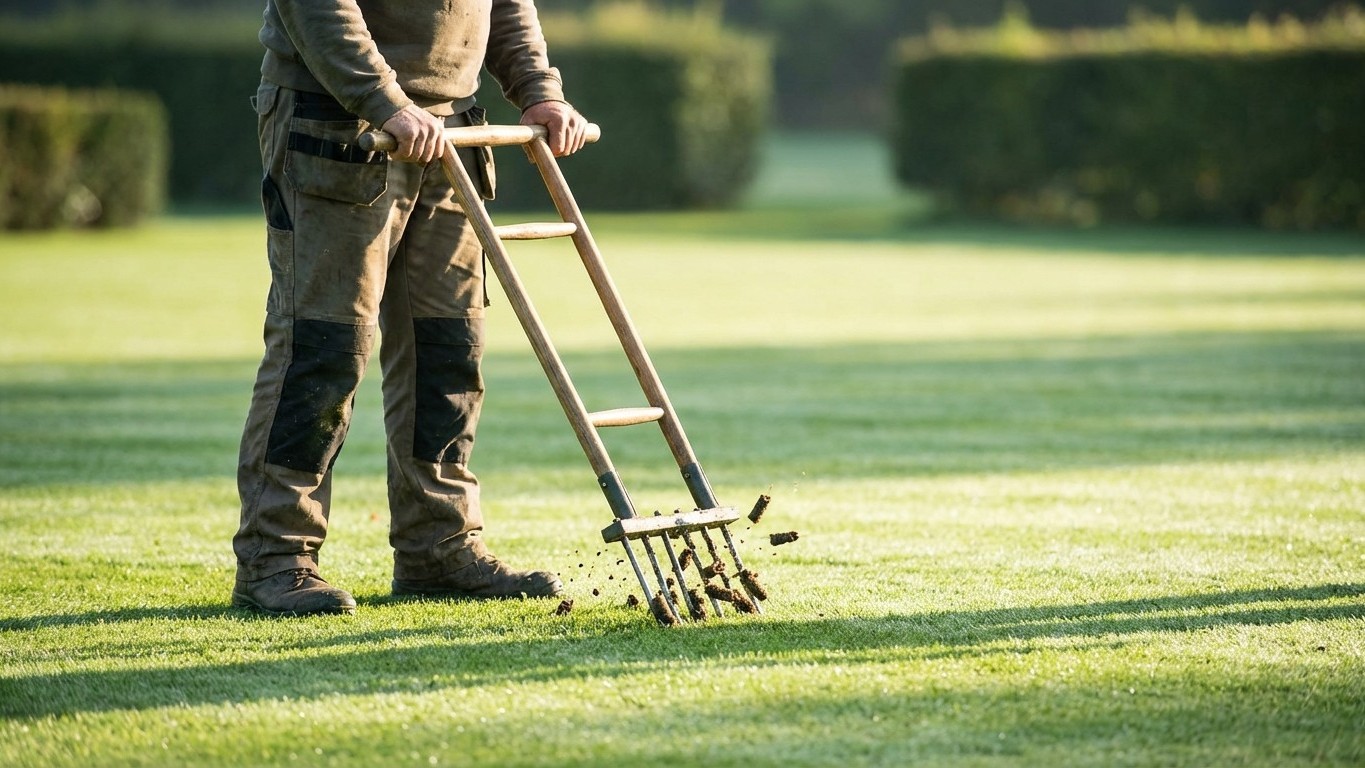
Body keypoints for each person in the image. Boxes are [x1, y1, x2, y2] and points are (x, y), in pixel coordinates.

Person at [231, 0, 591, 616]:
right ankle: (276, 558)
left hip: (453, 132)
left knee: (449, 348)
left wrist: (539, 91)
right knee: (323, 348)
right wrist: (385, 100)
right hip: (338, 123)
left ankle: (439, 547)